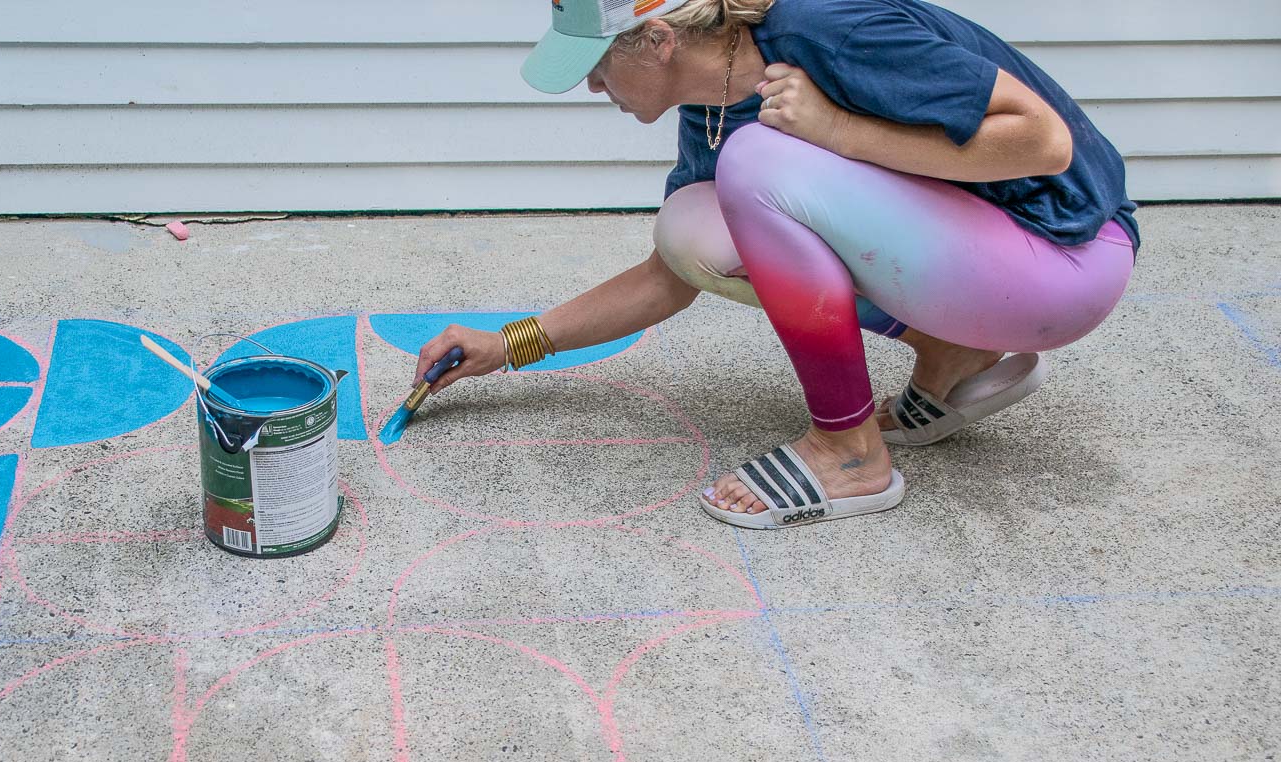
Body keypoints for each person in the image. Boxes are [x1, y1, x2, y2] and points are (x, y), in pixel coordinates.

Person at [411, 0, 1138, 529]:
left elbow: (1043, 142)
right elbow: (672, 275)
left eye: (597, 66)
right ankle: (954, 352)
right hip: (990, 265)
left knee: (755, 162)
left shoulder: (829, 27)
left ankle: (850, 455)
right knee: (695, 224)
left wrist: (838, 130)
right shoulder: (716, 101)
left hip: (1067, 257)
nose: (593, 88)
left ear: (657, 40)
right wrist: (509, 344)